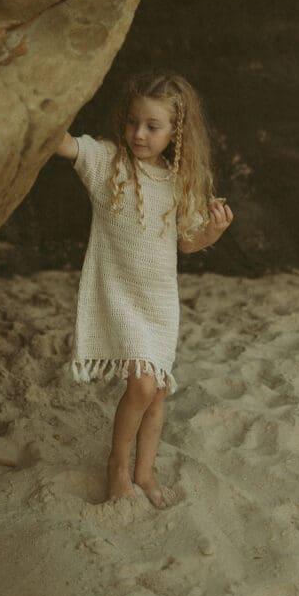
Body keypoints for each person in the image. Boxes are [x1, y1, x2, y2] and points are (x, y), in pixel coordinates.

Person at [55, 72, 234, 508]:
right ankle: (118, 466)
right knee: (140, 385)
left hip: (159, 302)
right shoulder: (107, 163)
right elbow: (62, 144)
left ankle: (145, 472)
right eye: (134, 122)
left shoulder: (178, 181)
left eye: (153, 127)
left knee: (156, 393)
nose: (138, 134)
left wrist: (213, 232)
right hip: (119, 294)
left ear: (175, 132)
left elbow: (187, 243)